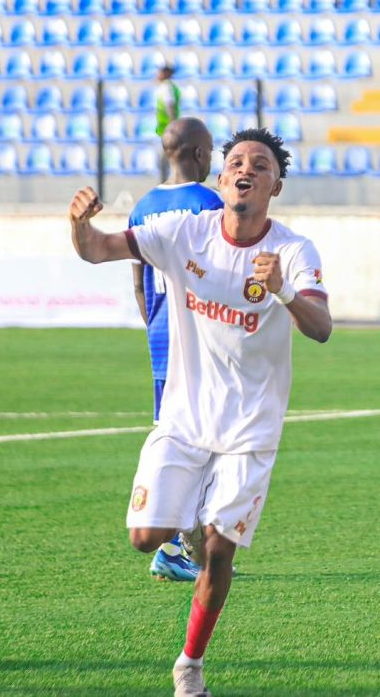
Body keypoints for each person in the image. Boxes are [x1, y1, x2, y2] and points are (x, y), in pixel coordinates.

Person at [68, 128, 332, 697]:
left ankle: (189, 665)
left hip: (249, 429)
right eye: (236, 161)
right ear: (219, 179)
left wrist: (284, 291)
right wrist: (78, 225)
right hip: (184, 421)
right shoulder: (184, 231)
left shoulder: (291, 250)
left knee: (219, 549)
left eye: (259, 165)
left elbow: (322, 328)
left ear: (274, 186)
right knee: (144, 537)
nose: (246, 169)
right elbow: (97, 250)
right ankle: (190, 522)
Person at [128, 117, 225, 583]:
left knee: (178, 436)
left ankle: (184, 543)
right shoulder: (208, 203)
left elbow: (139, 283)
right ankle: (176, 546)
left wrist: (157, 330)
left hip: (163, 341)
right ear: (200, 154)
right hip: (203, 342)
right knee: (202, 442)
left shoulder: (142, 207)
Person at [155, 65, 180, 182]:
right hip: (165, 128)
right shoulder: (170, 87)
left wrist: (172, 127)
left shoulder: (166, 87)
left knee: (166, 160)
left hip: (167, 129)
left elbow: (170, 107)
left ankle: (166, 183)